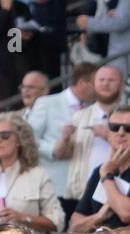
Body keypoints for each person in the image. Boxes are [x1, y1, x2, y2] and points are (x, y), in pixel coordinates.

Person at [70, 104, 130, 231]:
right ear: (108, 133)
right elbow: (75, 225)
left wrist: (107, 176)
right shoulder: (100, 169)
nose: (121, 132)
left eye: (129, 128)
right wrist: (98, 217)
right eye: (114, 127)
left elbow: (127, 213)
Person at [28, 61, 97, 223]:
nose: (99, 89)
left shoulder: (94, 109)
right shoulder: (47, 103)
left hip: (85, 186)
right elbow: (29, 138)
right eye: (95, 83)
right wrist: (53, 149)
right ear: (82, 83)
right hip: (56, 184)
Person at [58, 64, 124, 214]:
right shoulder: (79, 116)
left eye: (111, 80)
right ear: (94, 84)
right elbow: (61, 155)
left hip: (117, 192)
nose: (105, 83)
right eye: (101, 80)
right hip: (82, 193)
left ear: (120, 85)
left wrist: (107, 135)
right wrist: (64, 139)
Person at [75, 0, 130, 76]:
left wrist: (88, 23)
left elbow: (121, 22)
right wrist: (118, 13)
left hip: (129, 61)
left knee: (129, 94)